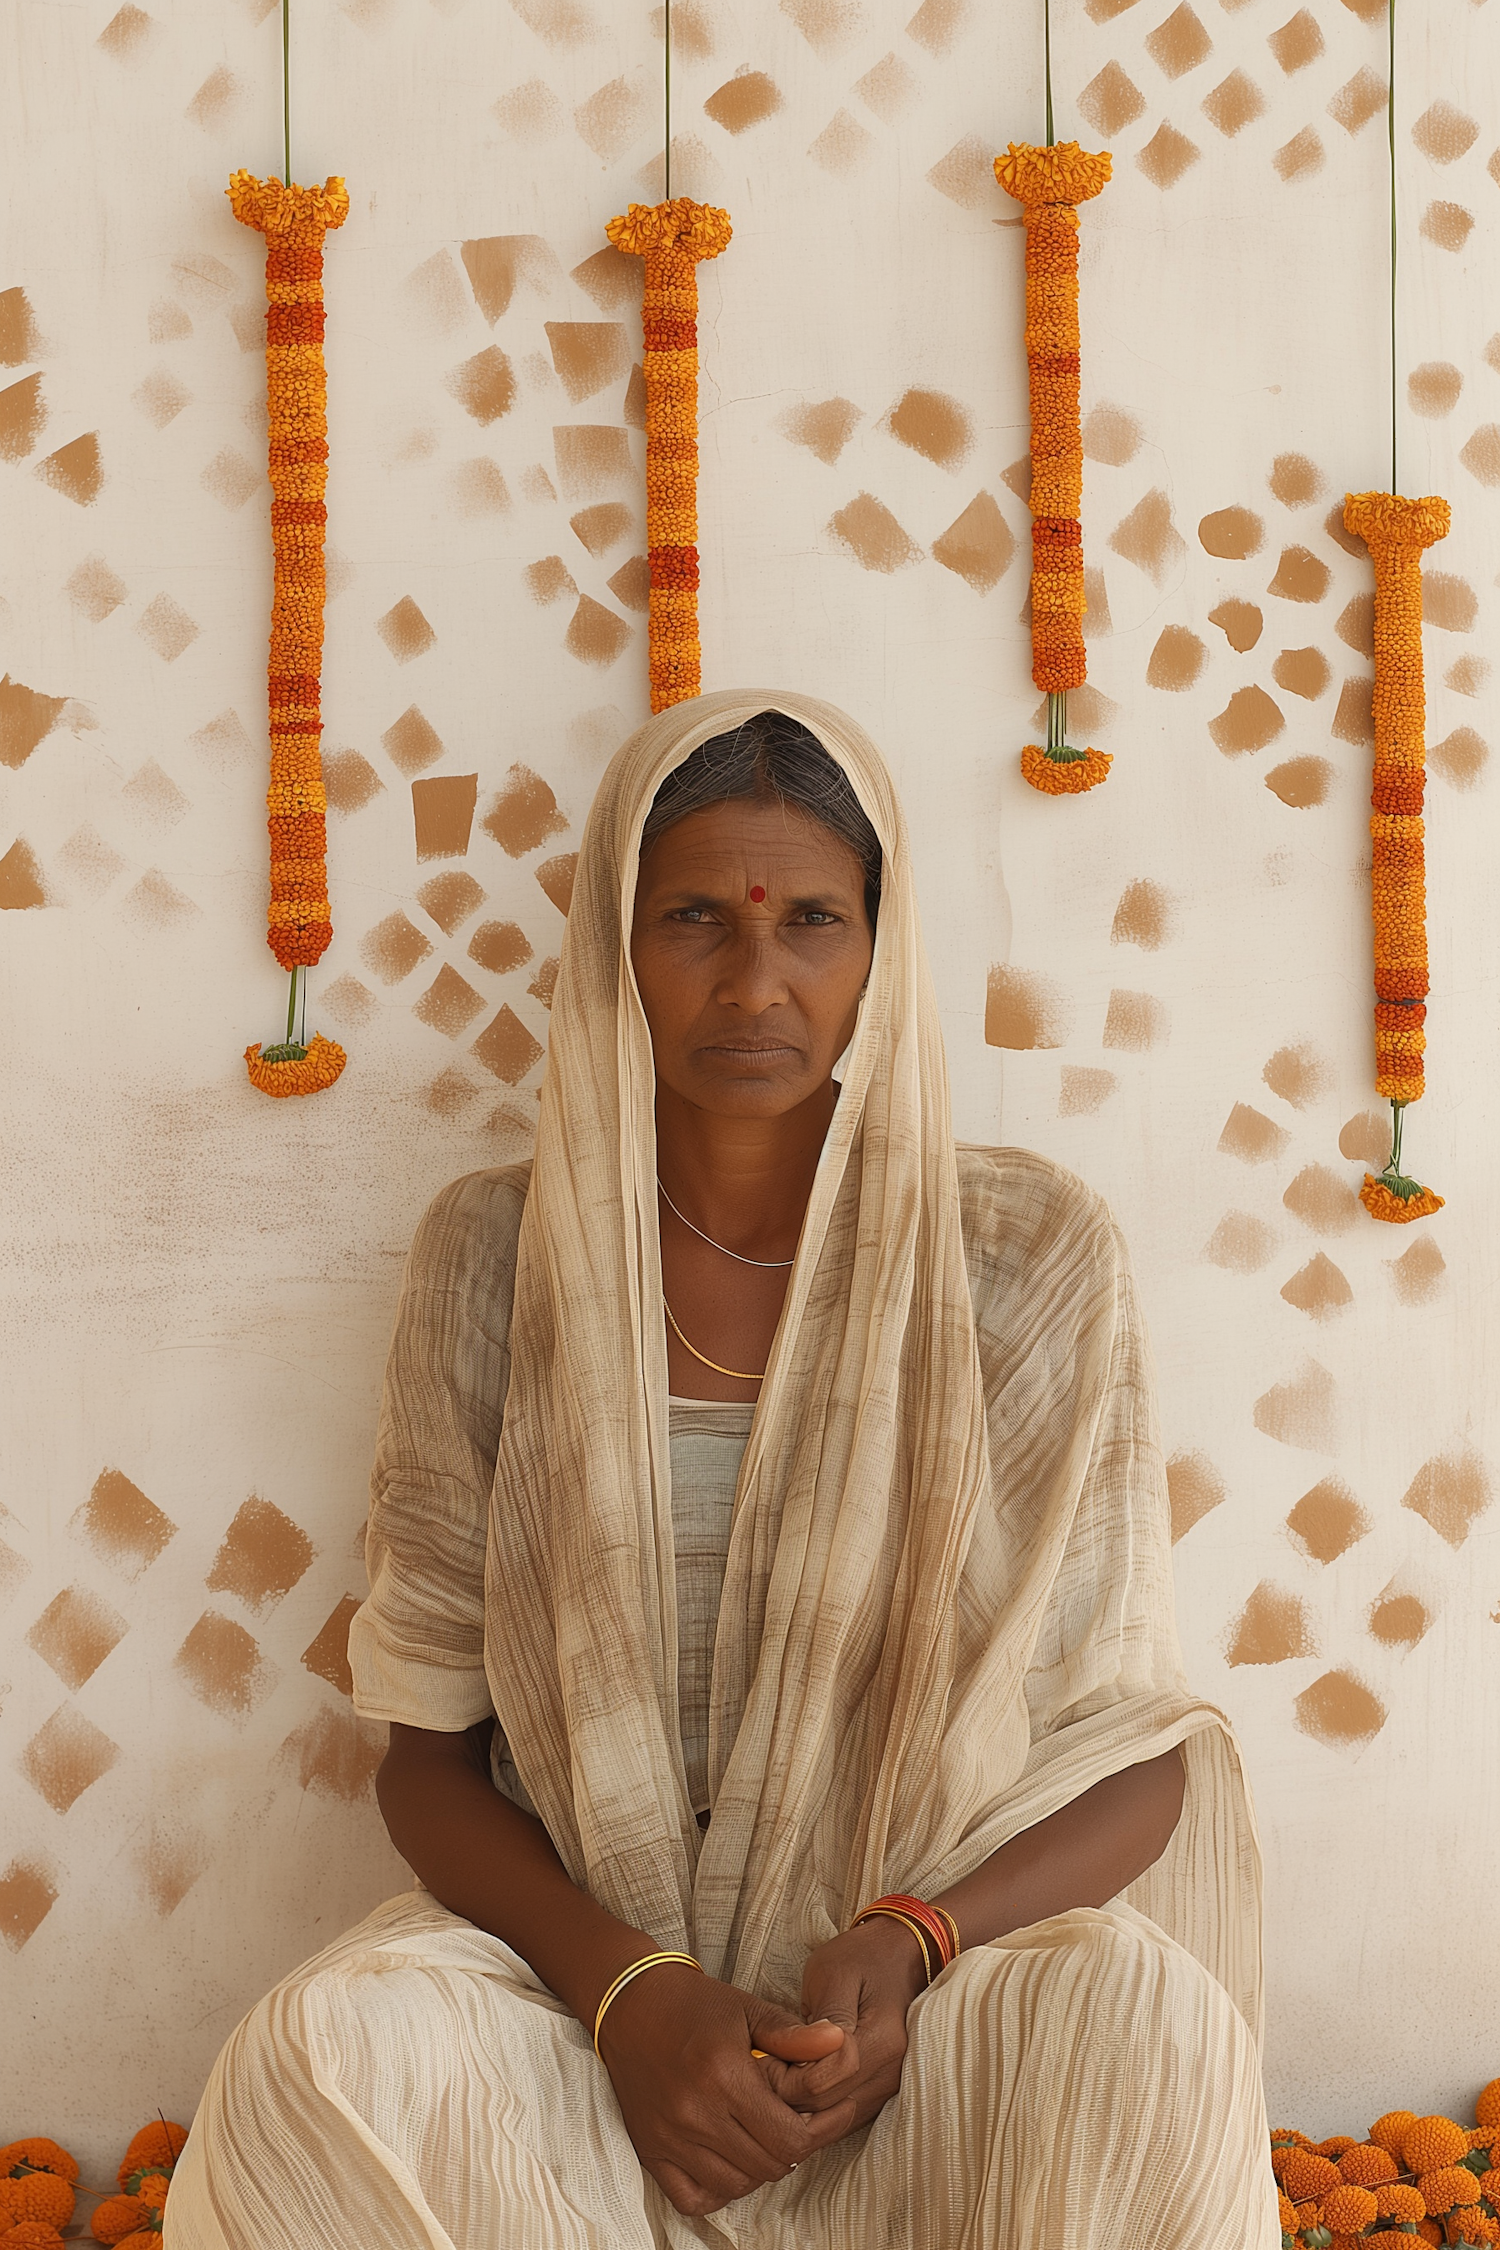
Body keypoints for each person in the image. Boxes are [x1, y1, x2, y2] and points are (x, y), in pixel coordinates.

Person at [167, 692, 1277, 2249]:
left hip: (911, 2023)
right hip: (583, 2013)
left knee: (1152, 2037)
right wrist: (633, 1991)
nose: (757, 979)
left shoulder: (1023, 1258)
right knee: (319, 2062)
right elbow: (426, 1759)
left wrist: (910, 1939)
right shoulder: (494, 1259)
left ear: (878, 952)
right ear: (613, 946)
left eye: (812, 919)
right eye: (694, 916)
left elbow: (1132, 1750)